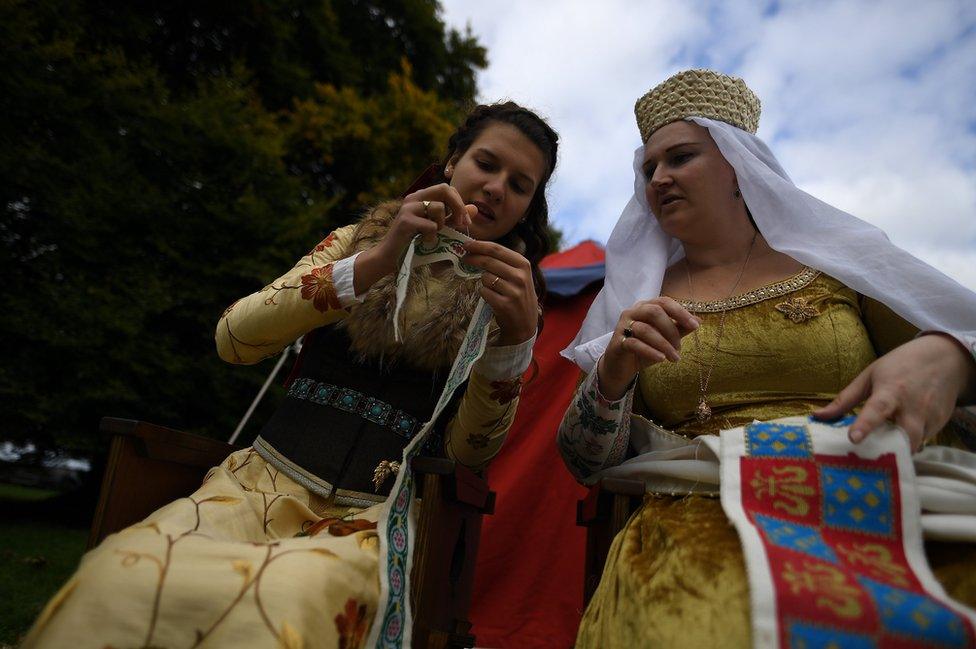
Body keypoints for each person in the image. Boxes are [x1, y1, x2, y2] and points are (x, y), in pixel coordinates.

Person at [24, 102, 559, 648]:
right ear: (451, 163)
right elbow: (233, 339)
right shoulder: (358, 238)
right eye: (486, 164)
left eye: (519, 185)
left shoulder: (511, 302)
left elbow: (469, 455)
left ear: (526, 209)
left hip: (373, 522)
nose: (495, 188)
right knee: (118, 575)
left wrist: (514, 345)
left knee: (286, 601)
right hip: (252, 486)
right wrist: (376, 261)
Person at [557, 69, 976, 647]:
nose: (659, 178)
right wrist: (612, 374)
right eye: (648, 168)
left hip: (863, 496)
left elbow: (962, 355)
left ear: (737, 164)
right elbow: (582, 461)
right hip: (699, 518)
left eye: (679, 158)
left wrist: (949, 355)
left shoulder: (837, 265)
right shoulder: (636, 301)